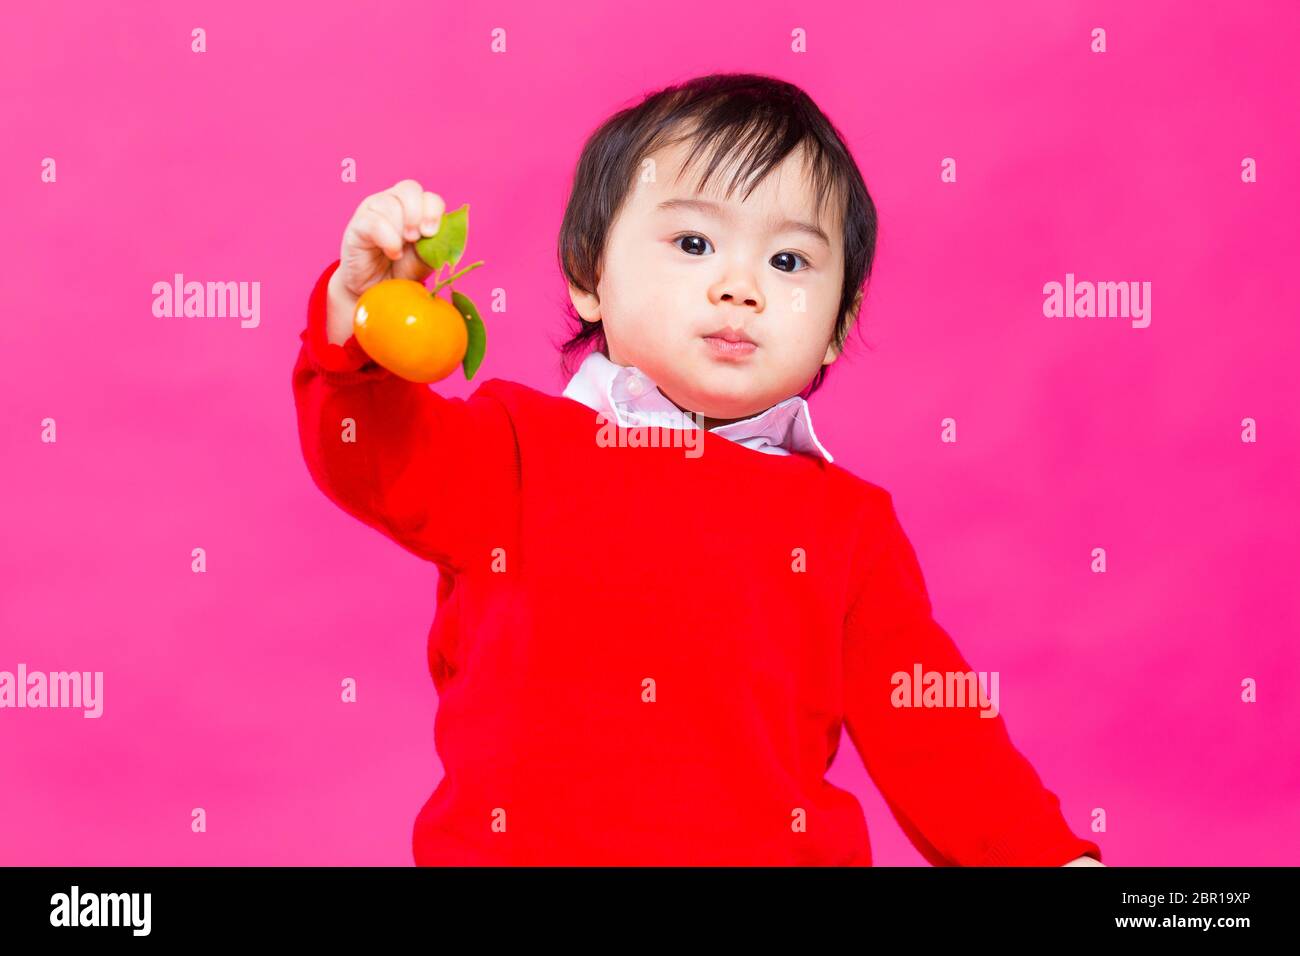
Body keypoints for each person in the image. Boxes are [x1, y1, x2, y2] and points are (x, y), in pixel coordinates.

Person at [292, 72, 1104, 867]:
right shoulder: (514, 447)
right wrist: (359, 321)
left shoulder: (848, 528)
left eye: (789, 262)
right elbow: (369, 457)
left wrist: (1047, 858)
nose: (741, 288)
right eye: (693, 244)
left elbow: (935, 728)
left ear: (836, 326)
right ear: (588, 275)